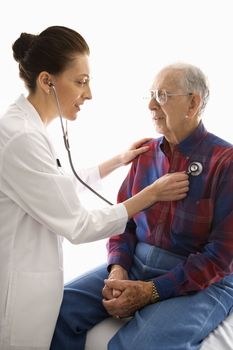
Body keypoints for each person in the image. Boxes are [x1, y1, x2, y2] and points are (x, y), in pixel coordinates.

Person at [0, 27, 189, 350]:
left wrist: (117, 161)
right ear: (47, 81)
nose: (88, 95)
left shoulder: (29, 129)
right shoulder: (21, 137)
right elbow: (78, 224)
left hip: (34, 285)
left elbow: (55, 188)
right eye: (81, 81)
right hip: (18, 295)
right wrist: (150, 195)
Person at [50, 62, 233, 350]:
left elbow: (221, 258)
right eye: (151, 94)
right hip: (137, 262)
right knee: (55, 312)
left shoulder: (226, 162)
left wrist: (153, 291)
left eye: (161, 96)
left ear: (193, 103)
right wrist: (118, 268)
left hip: (203, 278)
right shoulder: (146, 154)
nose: (150, 104)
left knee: (139, 345)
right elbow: (124, 222)